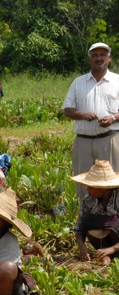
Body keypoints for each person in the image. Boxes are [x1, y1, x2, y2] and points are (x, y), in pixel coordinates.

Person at [62, 42, 119, 200]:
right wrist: (83, 114)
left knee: (112, 180)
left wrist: (113, 118)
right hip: (83, 142)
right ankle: (86, 219)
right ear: (89, 59)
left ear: (109, 59)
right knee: (83, 181)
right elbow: (67, 109)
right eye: (95, 55)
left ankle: (113, 220)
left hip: (110, 139)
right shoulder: (78, 82)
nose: (98, 58)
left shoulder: (117, 81)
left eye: (102, 55)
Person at [71, 160, 119, 261]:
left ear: (101, 188)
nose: (87, 189)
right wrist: (82, 247)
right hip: (101, 245)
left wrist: (112, 249)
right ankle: (105, 254)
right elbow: (78, 228)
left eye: (91, 187)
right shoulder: (87, 201)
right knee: (87, 221)